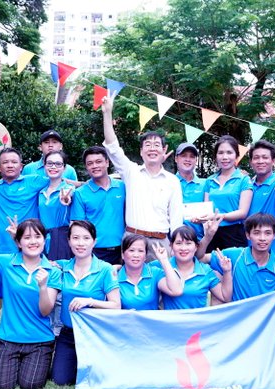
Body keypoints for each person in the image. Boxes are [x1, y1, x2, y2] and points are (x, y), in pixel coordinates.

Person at [101, 92, 183, 250]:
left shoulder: (172, 180)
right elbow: (112, 147)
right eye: (148, 145)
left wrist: (176, 245)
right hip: (132, 240)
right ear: (141, 151)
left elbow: (176, 217)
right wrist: (107, 113)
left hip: (161, 243)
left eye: (156, 145)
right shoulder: (131, 172)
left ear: (164, 150)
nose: (152, 148)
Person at [0, 219, 63, 389]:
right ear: (18, 242)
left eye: (37, 236)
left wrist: (43, 287)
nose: (33, 241)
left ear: (44, 240)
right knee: (1, 385)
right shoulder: (6, 263)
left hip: (40, 340)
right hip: (9, 338)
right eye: (27, 237)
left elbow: (45, 311)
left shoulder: (52, 271)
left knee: (30, 385)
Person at [198, 213, 275, 320]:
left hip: (265, 323)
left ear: (274, 235)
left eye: (267, 233)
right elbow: (200, 257)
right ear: (248, 235)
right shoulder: (234, 255)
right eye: (256, 233)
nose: (262, 238)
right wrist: (208, 236)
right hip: (236, 321)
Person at [51, 220, 121, 386]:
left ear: (94, 241)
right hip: (68, 333)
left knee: (95, 378)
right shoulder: (62, 267)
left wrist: (90, 301)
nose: (80, 243)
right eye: (75, 238)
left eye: (86, 238)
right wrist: (16, 240)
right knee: (60, 380)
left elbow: (116, 305)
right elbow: (33, 258)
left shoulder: (105, 269)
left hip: (93, 333)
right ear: (69, 241)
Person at [70, 146, 126, 265]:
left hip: (123, 249)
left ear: (107, 162)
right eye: (90, 163)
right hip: (95, 251)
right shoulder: (80, 193)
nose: (95, 166)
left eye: (98, 161)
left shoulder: (122, 187)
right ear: (86, 167)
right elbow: (78, 226)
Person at [158, 226, 232, 310]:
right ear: (171, 245)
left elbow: (225, 297)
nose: (183, 248)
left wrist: (227, 271)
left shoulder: (205, 271)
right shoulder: (161, 266)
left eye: (188, 243)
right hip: (170, 318)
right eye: (178, 243)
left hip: (197, 318)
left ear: (196, 246)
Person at [202, 135, 253, 251]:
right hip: (212, 233)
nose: (225, 157)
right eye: (220, 153)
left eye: (229, 152)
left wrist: (220, 216)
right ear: (216, 156)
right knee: (211, 262)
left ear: (236, 156)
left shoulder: (244, 180)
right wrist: (201, 218)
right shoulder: (209, 181)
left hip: (234, 234)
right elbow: (206, 209)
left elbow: (243, 212)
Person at [118, 234, 183, 310]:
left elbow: (176, 290)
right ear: (122, 255)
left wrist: (164, 260)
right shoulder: (115, 276)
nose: (136, 255)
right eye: (131, 250)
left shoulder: (154, 273)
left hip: (151, 318)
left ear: (145, 256)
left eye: (141, 251)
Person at [38, 150, 74, 261]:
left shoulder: (69, 189)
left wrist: (66, 199)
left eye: (58, 164)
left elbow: (68, 197)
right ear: (44, 166)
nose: (53, 167)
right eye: (49, 163)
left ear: (64, 168)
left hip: (62, 240)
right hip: (43, 239)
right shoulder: (40, 192)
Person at [174, 142, 206, 240]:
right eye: (184, 155)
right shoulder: (168, 182)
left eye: (192, 156)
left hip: (199, 240)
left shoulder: (205, 184)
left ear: (196, 160)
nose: (188, 159)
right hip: (173, 240)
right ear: (176, 159)